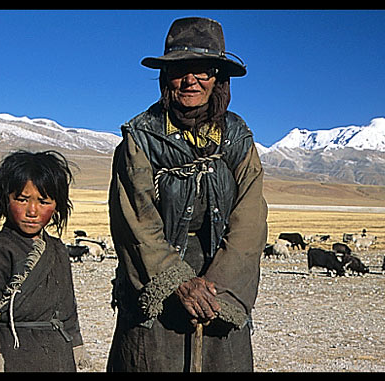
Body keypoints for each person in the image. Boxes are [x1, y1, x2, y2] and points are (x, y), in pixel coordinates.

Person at [107, 17, 268, 372]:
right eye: (180, 69)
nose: (191, 80)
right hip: (155, 279)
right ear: (166, 76)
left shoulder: (238, 138)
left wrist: (218, 291)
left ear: (218, 79)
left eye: (204, 70)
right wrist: (178, 282)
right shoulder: (140, 138)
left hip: (221, 281)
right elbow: (136, 223)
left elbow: (250, 219)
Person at [0, 150, 89, 372]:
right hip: (16, 357)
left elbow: (67, 309)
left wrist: (76, 347)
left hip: (59, 357)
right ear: (5, 199)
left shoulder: (58, 250)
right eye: (22, 199)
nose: (32, 211)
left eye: (44, 201)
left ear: (57, 205)